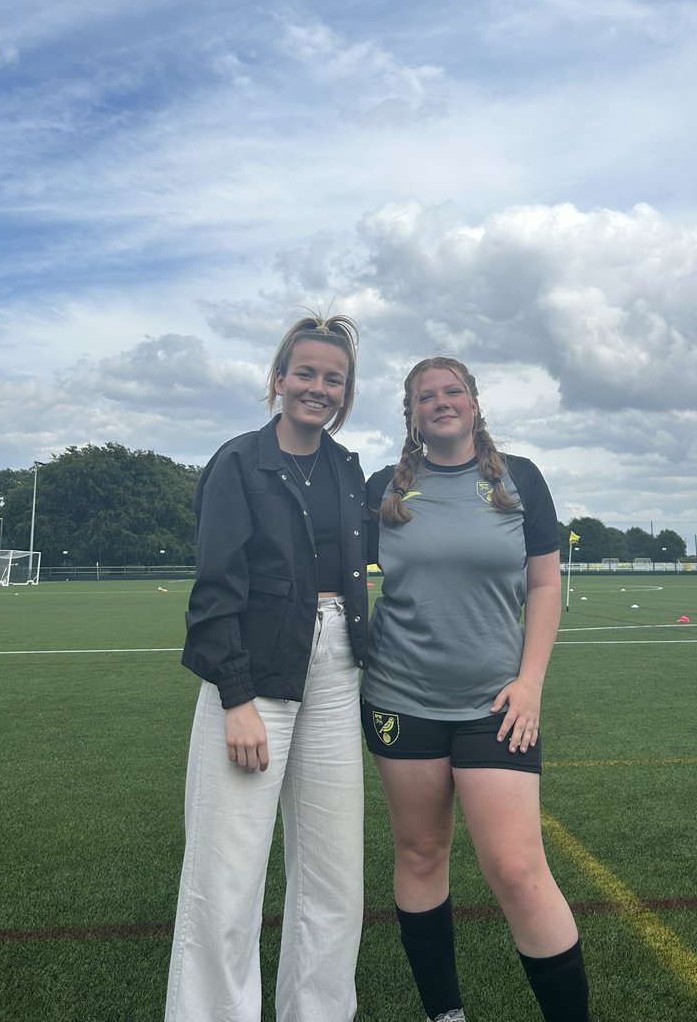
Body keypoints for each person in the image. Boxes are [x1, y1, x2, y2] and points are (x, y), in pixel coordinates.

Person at [361, 357, 589, 1022]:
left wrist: (530, 682)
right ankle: (446, 1014)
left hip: (498, 704)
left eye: (451, 390)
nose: (439, 402)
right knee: (422, 852)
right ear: (410, 414)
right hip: (400, 700)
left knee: (518, 870)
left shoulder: (520, 479)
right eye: (424, 396)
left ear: (474, 402)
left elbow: (545, 584)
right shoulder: (383, 489)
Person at [165, 313, 368, 1022]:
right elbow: (216, 589)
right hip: (256, 674)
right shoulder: (239, 461)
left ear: (345, 392)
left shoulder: (348, 469)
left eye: (333, 378)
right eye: (305, 373)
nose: (318, 387)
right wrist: (236, 697)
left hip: (338, 669)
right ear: (278, 379)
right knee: (225, 879)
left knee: (334, 881)